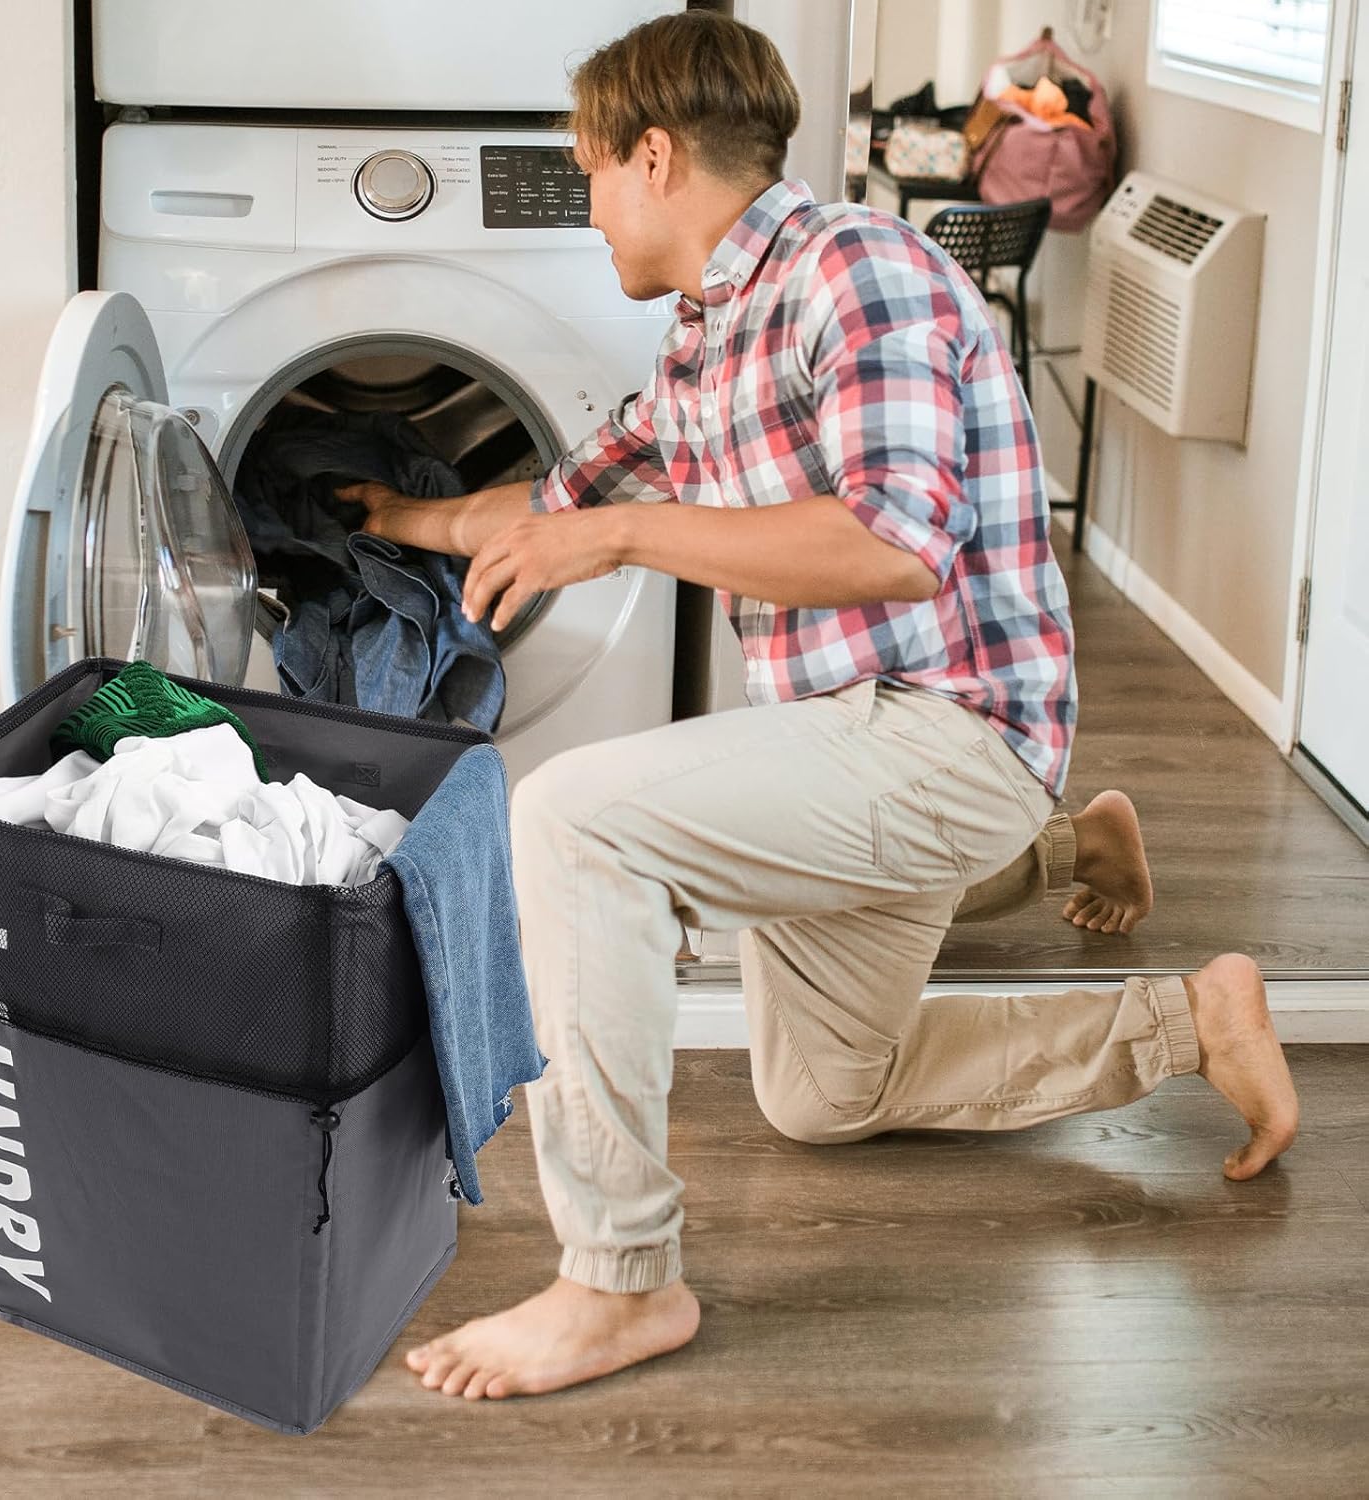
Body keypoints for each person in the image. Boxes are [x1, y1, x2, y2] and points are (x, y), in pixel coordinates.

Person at [336, 11, 1298, 1404]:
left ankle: (619, 1280)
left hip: (942, 731)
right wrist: (396, 515)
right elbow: (557, 502)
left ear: (653, 158)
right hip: (853, 746)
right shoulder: (703, 338)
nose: (587, 204)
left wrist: (619, 540)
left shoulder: (861, 272)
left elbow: (892, 541)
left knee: (572, 822)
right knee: (821, 1096)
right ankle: (1170, 1004)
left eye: (591, 172)